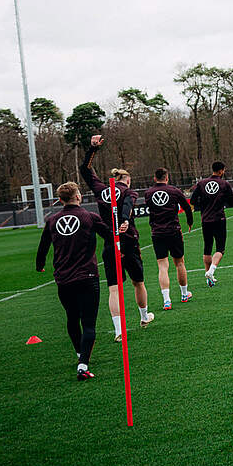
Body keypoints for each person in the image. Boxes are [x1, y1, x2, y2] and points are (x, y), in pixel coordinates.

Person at [35, 182, 111, 381]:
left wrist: (40, 264)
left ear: (60, 199)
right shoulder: (89, 217)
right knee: (88, 323)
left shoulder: (52, 220)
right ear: (78, 196)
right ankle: (83, 364)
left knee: (72, 317)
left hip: (63, 278)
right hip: (87, 277)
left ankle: (80, 353)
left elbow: (43, 246)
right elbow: (110, 237)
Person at [79, 136, 152, 341]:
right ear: (127, 180)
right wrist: (125, 220)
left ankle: (119, 330)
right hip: (128, 241)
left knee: (114, 288)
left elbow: (85, 170)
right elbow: (128, 205)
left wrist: (92, 148)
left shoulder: (101, 190)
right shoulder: (129, 191)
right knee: (138, 282)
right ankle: (144, 317)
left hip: (110, 242)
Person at [145, 168, 194, 309]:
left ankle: (167, 300)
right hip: (173, 231)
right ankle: (184, 294)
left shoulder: (148, 193)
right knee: (179, 263)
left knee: (162, 266)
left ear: (155, 178)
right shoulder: (174, 191)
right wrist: (190, 222)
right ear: (167, 178)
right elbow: (187, 207)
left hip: (157, 233)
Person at [190, 161, 233, 286]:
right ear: (221, 171)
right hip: (219, 219)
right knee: (220, 249)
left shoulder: (201, 183)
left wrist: (203, 205)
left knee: (207, 248)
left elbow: (193, 200)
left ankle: (209, 278)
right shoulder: (224, 184)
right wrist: (222, 201)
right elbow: (232, 202)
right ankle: (211, 271)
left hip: (206, 220)